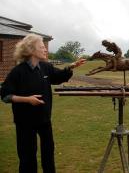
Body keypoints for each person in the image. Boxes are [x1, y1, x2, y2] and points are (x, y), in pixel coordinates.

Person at [0, 34, 86, 173]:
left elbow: (58, 76)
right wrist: (27, 99)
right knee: (27, 158)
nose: (45, 49)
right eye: (42, 46)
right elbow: (5, 96)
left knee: (48, 156)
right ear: (31, 50)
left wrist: (72, 66)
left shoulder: (45, 67)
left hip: (44, 121)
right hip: (25, 123)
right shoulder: (18, 72)